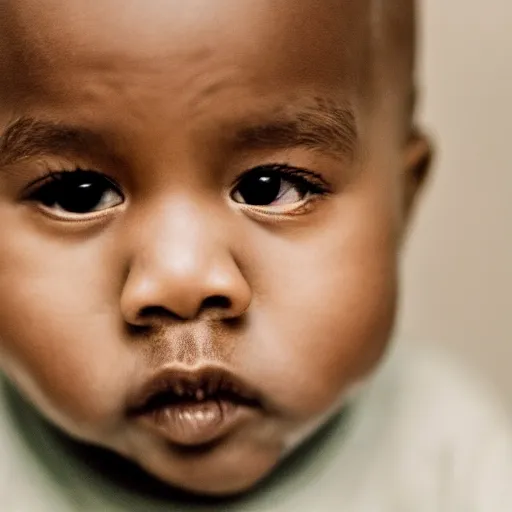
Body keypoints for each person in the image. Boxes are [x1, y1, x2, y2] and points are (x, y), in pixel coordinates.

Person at [0, 0, 511, 510]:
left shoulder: (459, 471)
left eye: (271, 188)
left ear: (403, 200)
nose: (182, 282)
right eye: (79, 194)